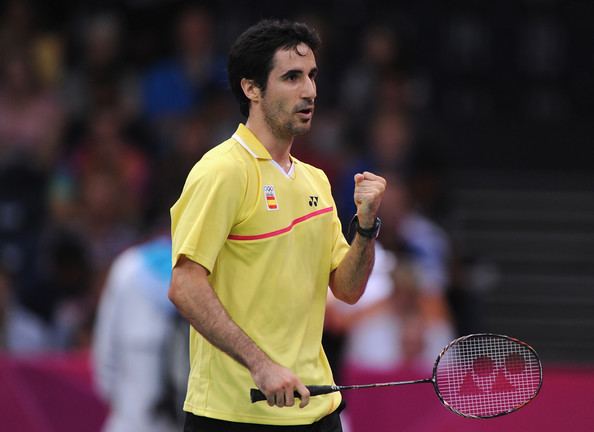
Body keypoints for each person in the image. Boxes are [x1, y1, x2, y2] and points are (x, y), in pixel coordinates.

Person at [168, 19, 386, 431]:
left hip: (316, 407)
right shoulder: (223, 171)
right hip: (234, 413)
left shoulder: (315, 180)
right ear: (251, 88)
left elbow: (347, 289)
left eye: (312, 77)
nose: (310, 91)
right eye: (291, 77)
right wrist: (261, 366)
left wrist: (366, 225)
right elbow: (184, 285)